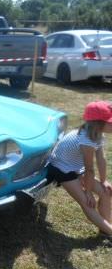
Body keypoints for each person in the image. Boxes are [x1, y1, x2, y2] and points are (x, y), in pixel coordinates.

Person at [47, 100, 112, 239]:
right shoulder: (86, 138)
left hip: (76, 167)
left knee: (106, 193)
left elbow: (101, 159)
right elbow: (89, 169)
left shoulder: (97, 133)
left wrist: (103, 181)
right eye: (110, 122)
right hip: (61, 168)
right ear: (98, 122)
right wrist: (87, 192)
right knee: (87, 203)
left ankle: (106, 230)